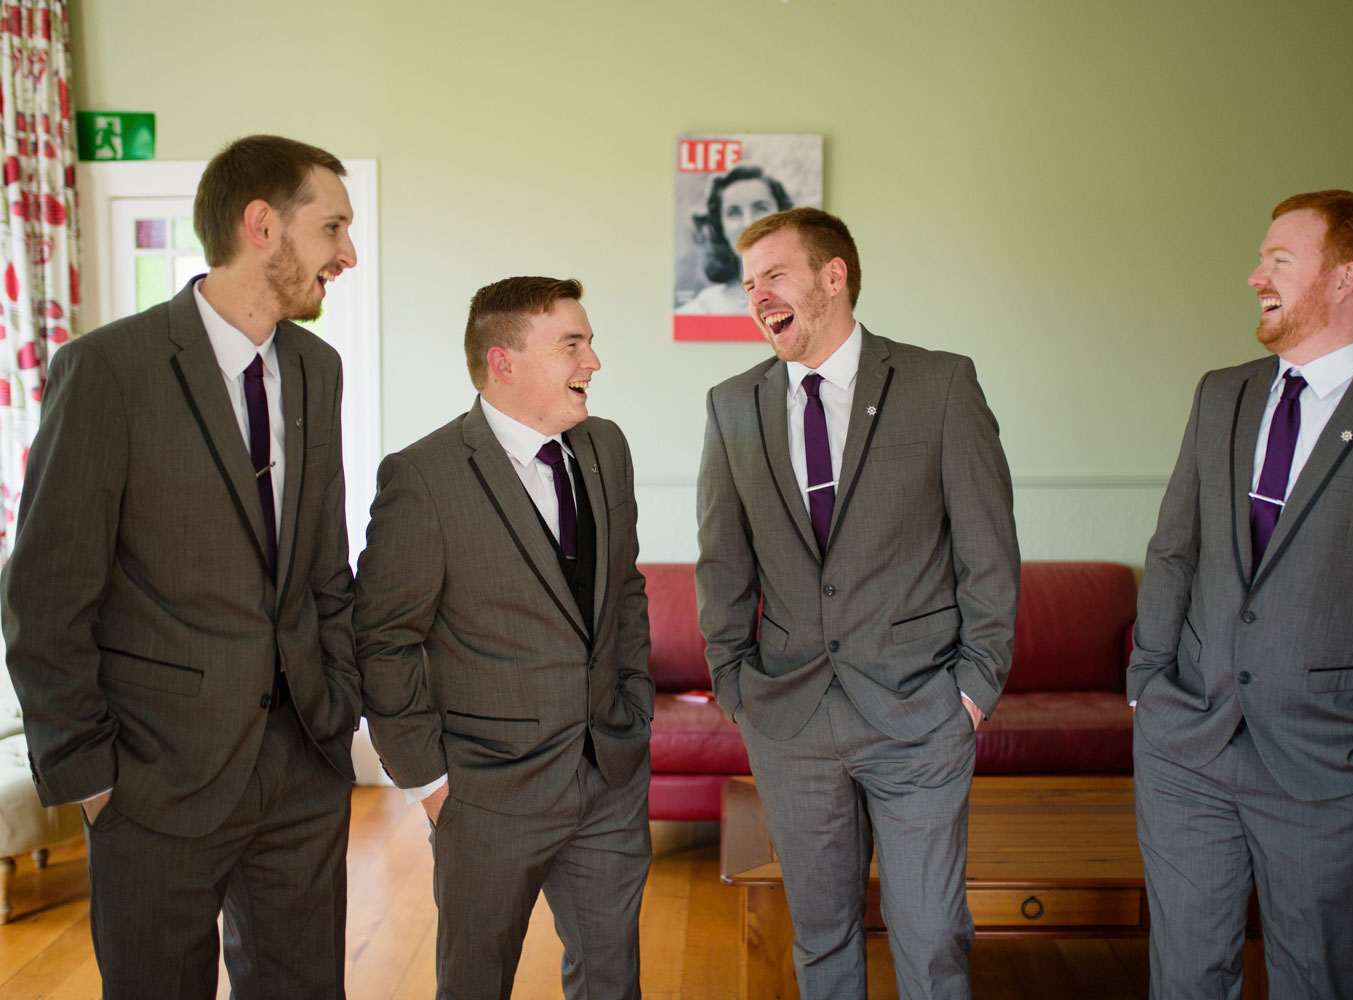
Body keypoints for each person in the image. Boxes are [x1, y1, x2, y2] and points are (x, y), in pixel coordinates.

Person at [1, 134, 362, 998]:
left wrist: (337, 701)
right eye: (333, 228)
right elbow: (44, 597)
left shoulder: (318, 370)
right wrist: (89, 781)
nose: (347, 255)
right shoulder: (105, 373)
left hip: (303, 768)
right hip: (151, 782)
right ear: (262, 224)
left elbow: (322, 564)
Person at [1129, 190, 1353, 999]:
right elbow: (1174, 550)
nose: (1254, 274)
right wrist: (1147, 690)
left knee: (1316, 984)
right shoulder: (1220, 394)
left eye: (1278, 260)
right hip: (1186, 747)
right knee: (1185, 979)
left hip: (1333, 769)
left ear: (1343, 279)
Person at [695, 207, 1020, 999]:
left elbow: (988, 549)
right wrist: (736, 686)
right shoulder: (732, 404)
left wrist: (974, 688)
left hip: (921, 713)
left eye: (774, 276)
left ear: (832, 277)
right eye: (748, 286)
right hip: (790, 720)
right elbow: (723, 561)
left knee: (933, 934)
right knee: (823, 934)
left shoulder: (941, 383)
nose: (757, 298)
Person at [353, 277, 654, 1000]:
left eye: (589, 341)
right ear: (505, 362)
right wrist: (429, 782)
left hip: (607, 778)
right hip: (484, 797)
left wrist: (633, 706)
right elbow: (382, 638)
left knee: (614, 984)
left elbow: (626, 590)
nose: (594, 361)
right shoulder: (423, 478)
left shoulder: (606, 447)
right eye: (573, 344)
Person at [677, 164, 793, 314]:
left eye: (761, 208)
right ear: (721, 228)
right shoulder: (703, 309)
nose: (748, 222)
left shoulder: (809, 297)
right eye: (733, 213)